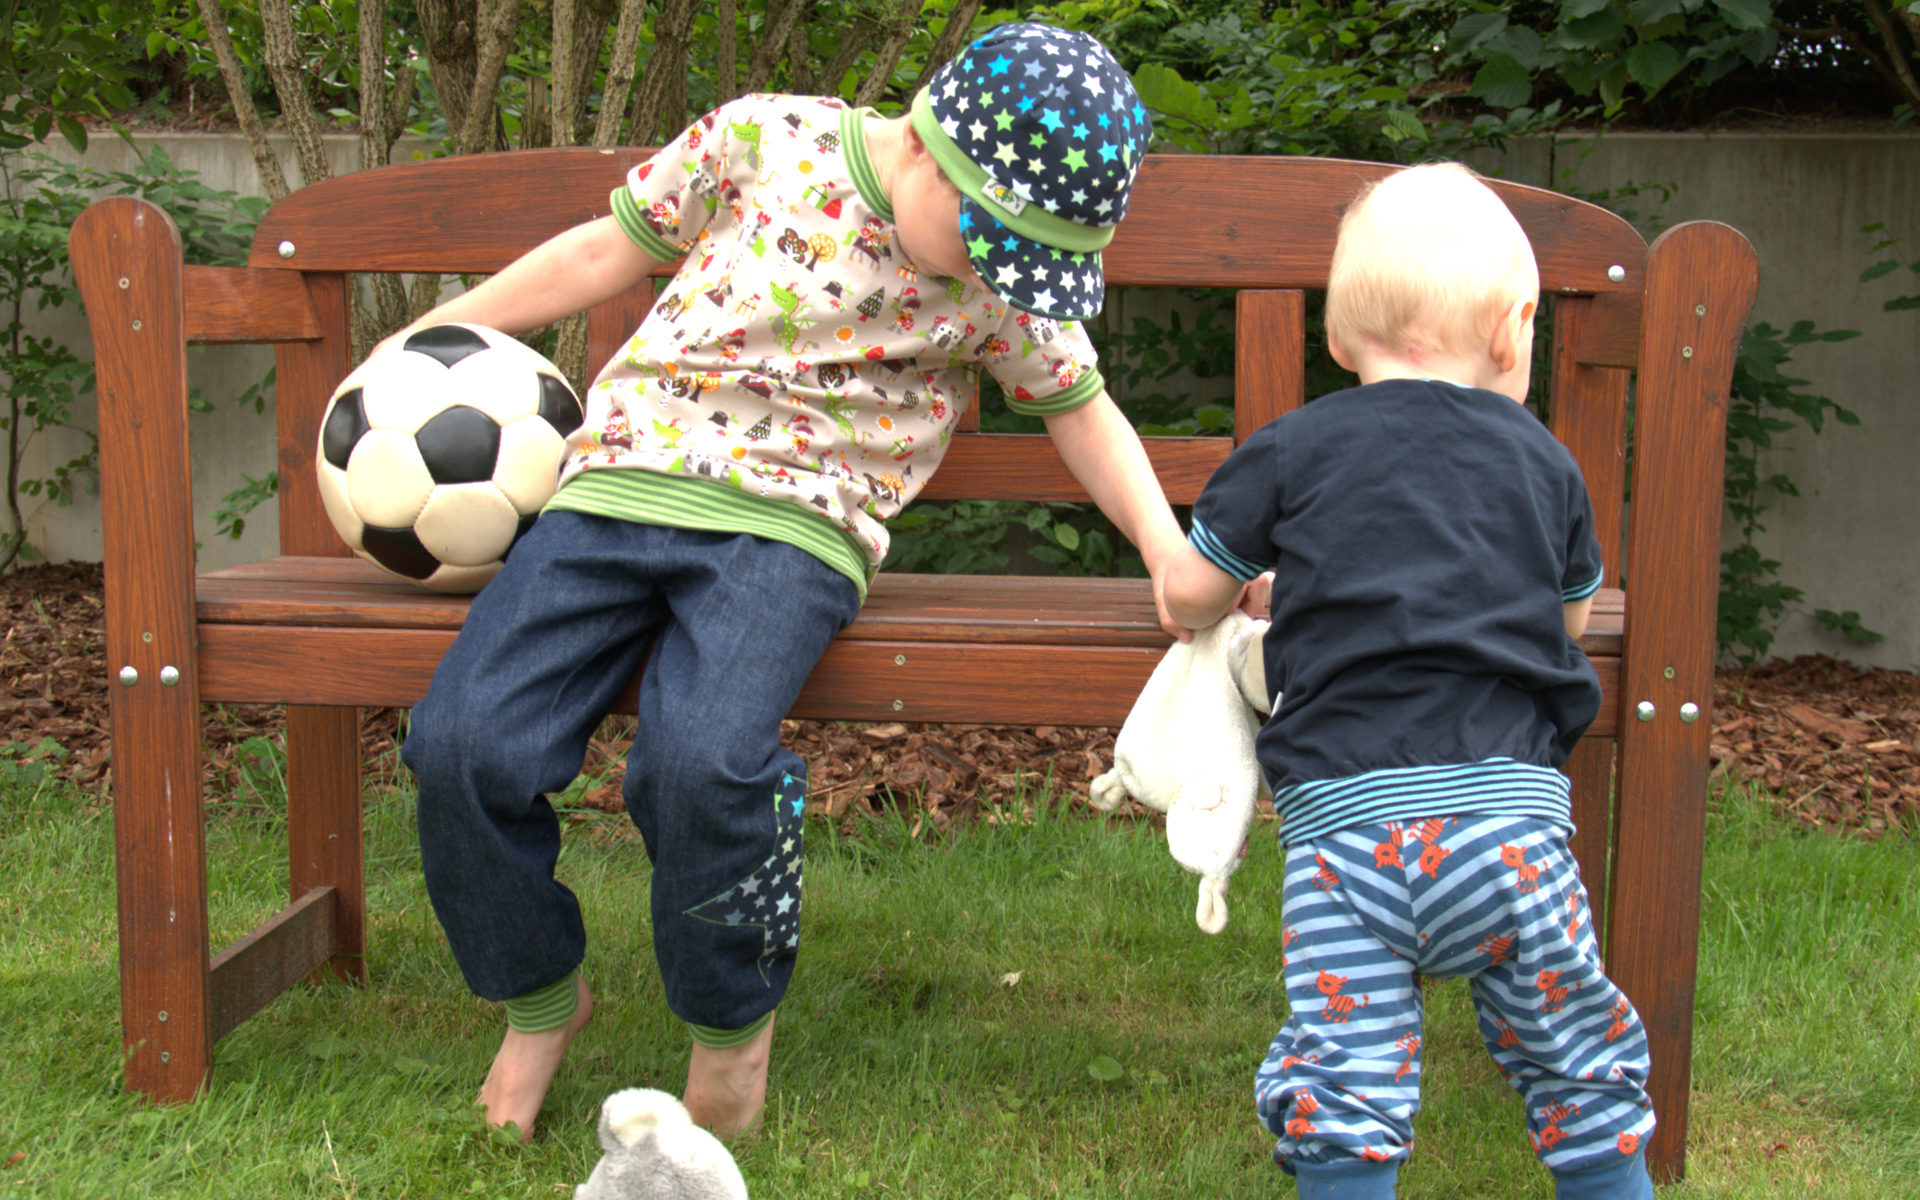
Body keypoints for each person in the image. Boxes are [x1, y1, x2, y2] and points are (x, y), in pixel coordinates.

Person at [390, 22, 1189, 1143]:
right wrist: (441, 330)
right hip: (616, 491)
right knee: (462, 741)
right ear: (922, 142)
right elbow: (599, 255)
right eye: (988, 240)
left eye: (1023, 259)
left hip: (797, 532)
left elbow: (1079, 408)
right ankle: (538, 1000)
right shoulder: (763, 139)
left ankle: (729, 1030)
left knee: (702, 765)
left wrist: (1165, 550)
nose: (999, 273)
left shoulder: (1001, 277)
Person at [1158, 163, 1656, 1200]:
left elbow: (1189, 595)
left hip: (1351, 834)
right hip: (1509, 831)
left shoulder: (1292, 447)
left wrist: (1255, 590)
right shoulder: (1543, 461)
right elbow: (1566, 621)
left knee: (1346, 1071)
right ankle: (1611, 1181)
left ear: (1340, 343)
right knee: (1570, 1044)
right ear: (1515, 333)